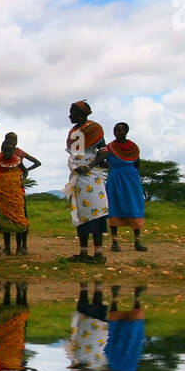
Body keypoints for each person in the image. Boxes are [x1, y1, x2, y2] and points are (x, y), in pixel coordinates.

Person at [64, 100, 109, 263]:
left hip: (91, 177)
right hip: (77, 175)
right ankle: (83, 252)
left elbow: (103, 152)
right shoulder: (73, 131)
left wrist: (89, 166)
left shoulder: (94, 128)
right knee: (80, 213)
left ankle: (98, 254)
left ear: (81, 113)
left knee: (95, 214)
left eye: (72, 112)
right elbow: (74, 154)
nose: (69, 115)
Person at [0, 132, 41, 255]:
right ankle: (8, 248)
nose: (7, 153)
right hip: (4, 194)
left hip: (17, 193)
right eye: (5, 151)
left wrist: (21, 179)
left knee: (20, 220)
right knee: (5, 221)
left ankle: (20, 247)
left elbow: (25, 170)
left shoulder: (18, 157)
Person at [106, 123, 147, 252]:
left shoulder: (134, 148)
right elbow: (102, 161)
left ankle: (137, 241)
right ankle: (114, 242)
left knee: (134, 205)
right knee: (114, 205)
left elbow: (137, 164)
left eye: (120, 130)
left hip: (131, 179)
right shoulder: (110, 147)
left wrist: (135, 179)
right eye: (115, 130)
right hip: (115, 178)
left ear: (126, 132)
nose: (117, 133)